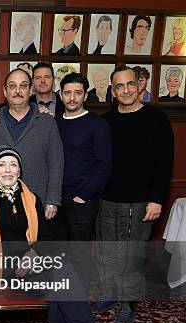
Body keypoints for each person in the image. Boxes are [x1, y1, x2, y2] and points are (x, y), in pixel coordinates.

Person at [0, 146, 112, 323]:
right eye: (2, 165)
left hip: (31, 264)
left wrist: (34, 254)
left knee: (62, 274)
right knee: (63, 284)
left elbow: (47, 237)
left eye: (13, 165)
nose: (8, 170)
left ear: (20, 170)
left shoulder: (32, 198)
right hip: (0, 268)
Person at [94, 67, 174, 323]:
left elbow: (165, 163)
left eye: (131, 84)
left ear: (140, 85)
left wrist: (157, 199)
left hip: (141, 202)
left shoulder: (156, 119)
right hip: (107, 200)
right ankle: (109, 293)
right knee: (108, 252)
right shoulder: (106, 121)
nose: (126, 90)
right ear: (113, 90)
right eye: (119, 86)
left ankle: (127, 303)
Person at [0, 69, 64, 238]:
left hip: (39, 202)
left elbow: (56, 163)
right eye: (12, 86)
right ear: (4, 91)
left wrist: (53, 200)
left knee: (36, 255)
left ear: (30, 90)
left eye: (23, 86)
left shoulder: (47, 122)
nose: (17, 91)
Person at [56, 72, 111, 242]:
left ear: (86, 95)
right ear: (61, 95)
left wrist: (84, 195)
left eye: (78, 93)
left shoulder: (97, 124)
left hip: (82, 200)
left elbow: (105, 164)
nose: (72, 98)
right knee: (57, 252)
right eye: (67, 92)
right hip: (56, 200)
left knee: (79, 256)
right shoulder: (54, 123)